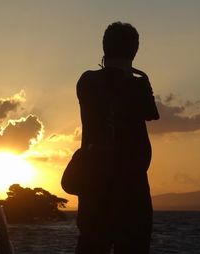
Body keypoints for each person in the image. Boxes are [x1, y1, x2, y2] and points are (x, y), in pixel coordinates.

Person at [75, 22, 159, 253]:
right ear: (135, 50)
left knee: (91, 245)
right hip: (132, 189)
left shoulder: (87, 81)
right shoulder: (136, 84)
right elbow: (151, 113)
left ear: (104, 47)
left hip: (94, 186)